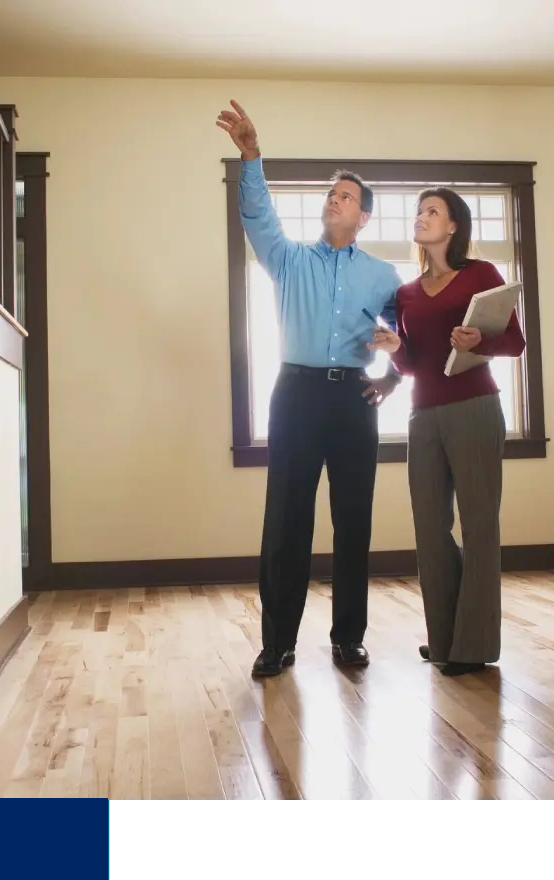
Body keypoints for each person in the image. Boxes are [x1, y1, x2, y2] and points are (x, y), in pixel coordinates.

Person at [216, 100, 403, 676]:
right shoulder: (290, 259)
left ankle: (348, 638)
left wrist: (391, 376)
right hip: (295, 396)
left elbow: (406, 336)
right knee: (286, 522)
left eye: (345, 195)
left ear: (364, 217)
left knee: (353, 521)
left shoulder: (384, 276)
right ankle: (278, 643)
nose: (333, 199)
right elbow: (258, 218)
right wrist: (251, 156)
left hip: (353, 399)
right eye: (331, 193)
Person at [368, 187, 526, 677]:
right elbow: (414, 364)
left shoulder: (481, 275)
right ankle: (445, 639)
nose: (421, 217)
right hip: (424, 414)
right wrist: (395, 349)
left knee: (480, 527)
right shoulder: (407, 294)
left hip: (475, 406)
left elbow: (516, 343)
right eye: (419, 211)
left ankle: (473, 646)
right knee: (430, 528)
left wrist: (482, 339)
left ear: (453, 225)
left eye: (432, 211)